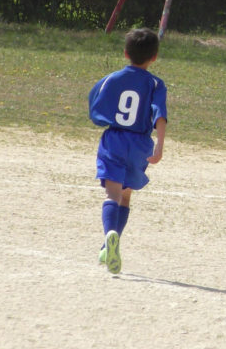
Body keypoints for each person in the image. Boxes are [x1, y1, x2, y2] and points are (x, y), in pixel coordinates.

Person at [89, 28, 168, 275]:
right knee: (125, 196)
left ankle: (109, 235)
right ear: (154, 57)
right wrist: (159, 145)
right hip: (140, 144)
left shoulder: (112, 79)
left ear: (125, 53)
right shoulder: (155, 83)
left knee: (112, 194)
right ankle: (108, 247)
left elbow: (95, 107)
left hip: (114, 140)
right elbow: (160, 114)